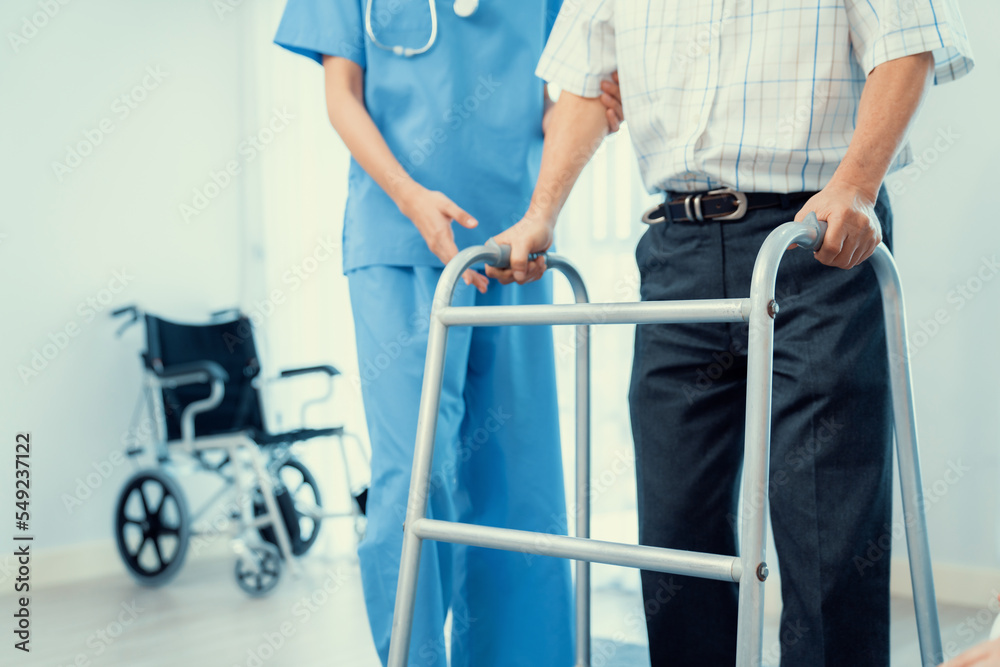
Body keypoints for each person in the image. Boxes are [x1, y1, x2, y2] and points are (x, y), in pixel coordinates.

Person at [486, 2, 974, 665]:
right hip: (675, 248)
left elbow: (907, 45)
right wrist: (540, 214)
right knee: (674, 537)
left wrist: (858, 186)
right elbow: (580, 81)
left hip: (813, 239)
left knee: (827, 528)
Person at [273, 2, 623, 665]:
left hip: (514, 249)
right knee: (415, 479)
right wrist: (409, 196)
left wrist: (592, 112)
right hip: (398, 243)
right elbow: (341, 95)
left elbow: (554, 102)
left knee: (521, 482)